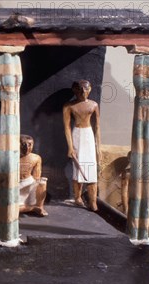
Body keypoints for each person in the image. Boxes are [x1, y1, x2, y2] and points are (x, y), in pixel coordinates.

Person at [63, 80, 101, 211]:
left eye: (86, 90)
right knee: (78, 167)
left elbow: (97, 126)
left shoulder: (94, 105)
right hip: (77, 134)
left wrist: (98, 147)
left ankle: (93, 201)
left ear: (90, 89)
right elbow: (67, 127)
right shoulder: (69, 106)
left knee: (91, 167)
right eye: (80, 90)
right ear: (75, 91)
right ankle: (77, 197)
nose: (84, 93)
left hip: (89, 135)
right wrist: (70, 147)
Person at [19, 135, 48, 216]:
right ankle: (32, 208)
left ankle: (39, 206)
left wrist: (37, 184)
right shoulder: (11, 156)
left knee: (42, 182)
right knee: (10, 209)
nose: (27, 147)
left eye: (30, 144)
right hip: (15, 184)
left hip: (28, 182)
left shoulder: (36, 158)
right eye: (23, 144)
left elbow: (36, 176)